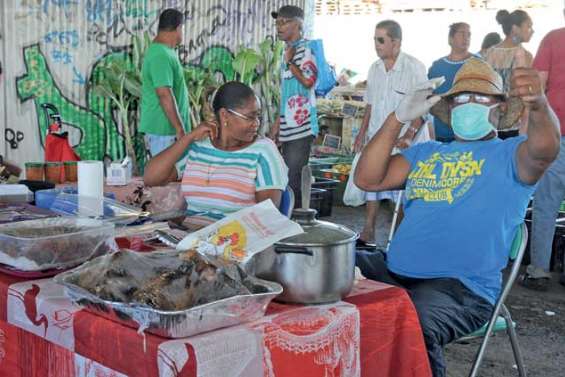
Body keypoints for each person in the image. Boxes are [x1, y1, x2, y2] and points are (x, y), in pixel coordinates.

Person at [354, 58, 560, 377]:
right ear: (450, 109)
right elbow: (366, 179)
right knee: (317, 262)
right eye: (462, 99)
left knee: (411, 325)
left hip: (461, 290)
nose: (469, 106)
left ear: (499, 109)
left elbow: (545, 150)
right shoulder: (427, 153)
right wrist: (396, 119)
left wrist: (539, 105)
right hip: (393, 273)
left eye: (480, 98)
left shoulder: (512, 155)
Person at [144, 81, 289, 229]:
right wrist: (188, 138)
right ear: (225, 115)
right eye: (250, 117)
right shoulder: (199, 147)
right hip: (192, 237)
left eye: (258, 116)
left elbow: (266, 216)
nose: (256, 123)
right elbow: (151, 178)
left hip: (237, 240)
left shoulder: (264, 151)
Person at [352, 20, 429, 247]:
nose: (376, 45)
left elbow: (423, 105)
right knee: (371, 187)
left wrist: (409, 135)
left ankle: (398, 237)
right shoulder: (374, 68)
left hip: (405, 142)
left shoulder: (414, 67)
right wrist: (362, 134)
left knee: (402, 194)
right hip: (378, 137)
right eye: (375, 39)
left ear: (396, 42)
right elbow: (370, 105)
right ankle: (368, 231)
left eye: (381, 40)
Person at [522, 5, 565, 290]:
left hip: (556, 133)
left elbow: (537, 86)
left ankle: (539, 271)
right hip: (557, 134)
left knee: (546, 204)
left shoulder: (553, 38)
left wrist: (527, 128)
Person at [269, 5, 318, 208]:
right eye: (277, 22)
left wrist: (290, 63)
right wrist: (277, 124)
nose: (278, 26)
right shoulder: (288, 51)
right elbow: (287, 91)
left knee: (293, 179)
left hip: (302, 127)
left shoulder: (307, 49)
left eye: (284, 22)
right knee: (285, 177)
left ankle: (297, 227)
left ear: (297, 24)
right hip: (287, 125)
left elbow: (309, 81)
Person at [139, 8, 191, 157]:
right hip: (165, 133)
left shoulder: (165, 51)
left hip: (168, 133)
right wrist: (179, 129)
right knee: (165, 179)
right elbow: (164, 94)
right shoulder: (160, 55)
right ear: (178, 28)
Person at [485, 9, 534, 137]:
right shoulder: (524, 55)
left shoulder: (489, 53)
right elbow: (524, 92)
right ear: (515, 28)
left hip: (489, 123)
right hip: (515, 123)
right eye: (528, 26)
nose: (532, 30)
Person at [428, 22, 474, 142]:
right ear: (450, 39)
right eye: (462, 34)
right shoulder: (437, 66)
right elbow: (428, 98)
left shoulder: (478, 64)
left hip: (470, 134)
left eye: (469, 34)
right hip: (442, 134)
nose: (466, 38)